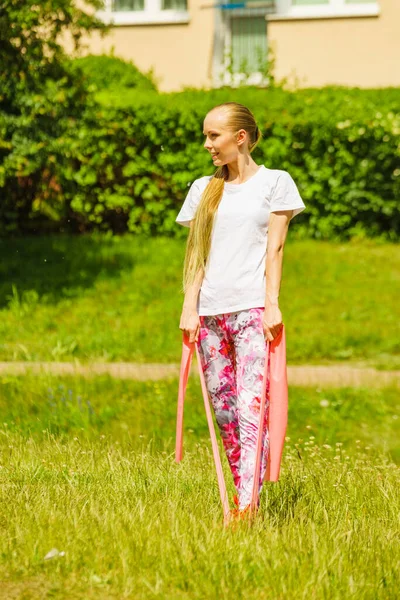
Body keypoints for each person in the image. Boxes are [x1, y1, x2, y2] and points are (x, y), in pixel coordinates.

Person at [175, 102, 306, 522]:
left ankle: (246, 507)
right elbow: (197, 254)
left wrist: (272, 304)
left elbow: (276, 249)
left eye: (213, 136)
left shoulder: (275, 183)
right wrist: (188, 307)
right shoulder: (203, 189)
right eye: (206, 135)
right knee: (226, 412)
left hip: (251, 310)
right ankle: (241, 492)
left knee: (252, 409)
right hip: (211, 315)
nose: (207, 144)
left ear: (241, 138)